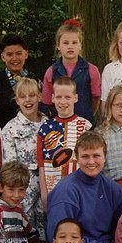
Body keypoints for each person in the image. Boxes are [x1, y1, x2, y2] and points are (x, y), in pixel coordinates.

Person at [46, 131, 122, 243]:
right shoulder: (66, 192)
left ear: (105, 157)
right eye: (85, 156)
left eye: (96, 156)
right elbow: (61, 240)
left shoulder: (112, 188)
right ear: (77, 158)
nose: (91, 162)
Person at [2, 78, 48, 242]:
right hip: (23, 189)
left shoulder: (49, 125)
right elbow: (9, 166)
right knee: (24, 228)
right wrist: (17, 192)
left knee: (46, 226)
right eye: (23, 96)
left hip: (46, 186)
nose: (28, 100)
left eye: (32, 95)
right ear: (17, 100)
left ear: (40, 97)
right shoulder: (10, 129)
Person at [37, 76, 93, 209]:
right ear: (52, 98)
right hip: (54, 192)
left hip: (81, 192)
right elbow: (41, 165)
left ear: (76, 98)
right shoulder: (45, 128)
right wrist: (44, 195)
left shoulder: (86, 126)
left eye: (67, 97)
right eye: (59, 97)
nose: (63, 102)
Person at [41, 18, 101, 124]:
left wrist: (86, 115)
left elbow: (95, 98)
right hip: (59, 126)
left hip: (85, 124)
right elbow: (48, 102)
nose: (70, 46)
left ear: (80, 45)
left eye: (74, 42)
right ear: (58, 45)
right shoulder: (51, 72)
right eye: (65, 43)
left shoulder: (91, 70)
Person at [0, 34, 42, 128]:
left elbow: (44, 110)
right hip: (2, 136)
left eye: (18, 53)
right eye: (9, 54)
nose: (14, 58)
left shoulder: (36, 82)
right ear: (3, 57)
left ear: (25, 54)